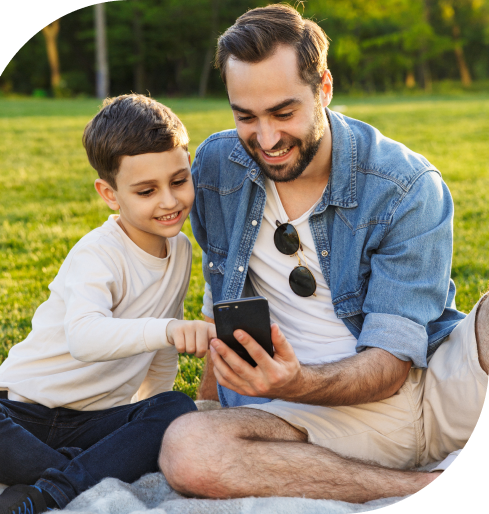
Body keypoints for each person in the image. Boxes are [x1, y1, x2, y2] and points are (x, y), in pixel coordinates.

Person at [158, 4, 489, 503]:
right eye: (246, 116)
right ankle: (419, 486)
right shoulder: (215, 168)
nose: (266, 139)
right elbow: (218, 289)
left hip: (431, 389)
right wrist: (212, 402)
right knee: (188, 450)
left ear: (324, 89)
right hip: (304, 422)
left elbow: (391, 362)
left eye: (283, 113)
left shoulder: (405, 186)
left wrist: (299, 381)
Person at [0, 94, 215, 514]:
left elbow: (159, 357)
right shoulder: (97, 253)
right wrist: (168, 330)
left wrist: (145, 416)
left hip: (92, 423)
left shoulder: (180, 250)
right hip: (17, 412)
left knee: (174, 409)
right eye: (146, 190)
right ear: (110, 194)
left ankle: (36, 490)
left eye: (179, 181)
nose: (169, 201)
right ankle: (65, 484)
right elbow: (85, 337)